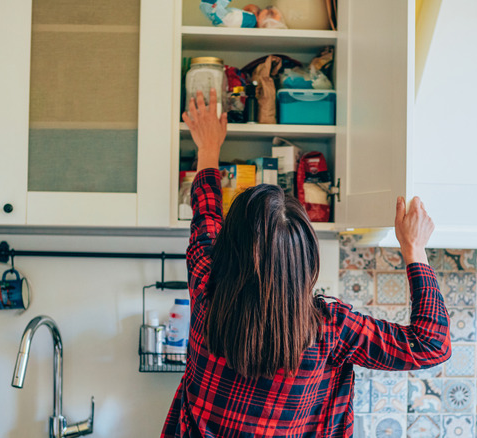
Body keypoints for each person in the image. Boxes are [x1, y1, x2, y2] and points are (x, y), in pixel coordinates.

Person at [161, 89, 451, 437]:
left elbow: (206, 213)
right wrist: (414, 249)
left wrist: (208, 148)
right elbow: (431, 345)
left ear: (228, 247)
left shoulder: (206, 284)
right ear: (306, 260)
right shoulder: (332, 328)